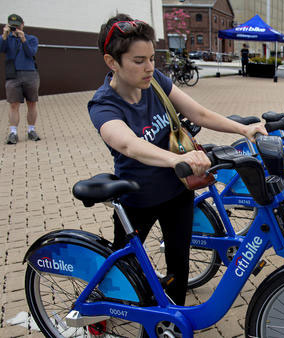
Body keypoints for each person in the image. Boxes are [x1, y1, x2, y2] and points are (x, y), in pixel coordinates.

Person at [88, 14, 266, 306]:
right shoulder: (103, 104)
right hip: (137, 198)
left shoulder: (156, 82)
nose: (149, 67)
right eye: (138, 60)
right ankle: (103, 306)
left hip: (177, 190)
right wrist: (175, 160)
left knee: (178, 266)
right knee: (123, 265)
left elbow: (200, 114)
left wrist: (244, 129)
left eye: (152, 58)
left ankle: (171, 322)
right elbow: (128, 145)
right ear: (112, 62)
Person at [1, 14, 40, 144]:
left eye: (18, 26)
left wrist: (23, 39)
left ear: (22, 24)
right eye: (13, 26)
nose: (15, 28)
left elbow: (31, 53)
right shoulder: (6, 39)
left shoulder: (31, 39)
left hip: (30, 74)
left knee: (32, 102)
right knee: (13, 104)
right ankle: (13, 132)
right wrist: (5, 36)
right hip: (13, 75)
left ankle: (31, 130)